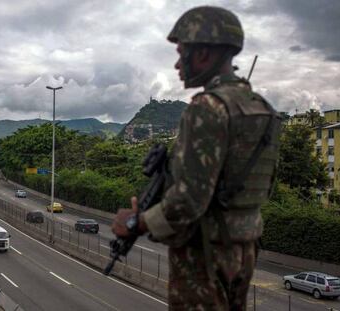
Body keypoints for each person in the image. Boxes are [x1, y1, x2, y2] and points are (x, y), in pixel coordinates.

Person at [112, 6, 281, 310]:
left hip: (204, 254)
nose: (178, 64)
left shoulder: (207, 108)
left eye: (181, 53)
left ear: (202, 53)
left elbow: (189, 200)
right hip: (243, 249)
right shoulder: (264, 110)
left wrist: (138, 221)